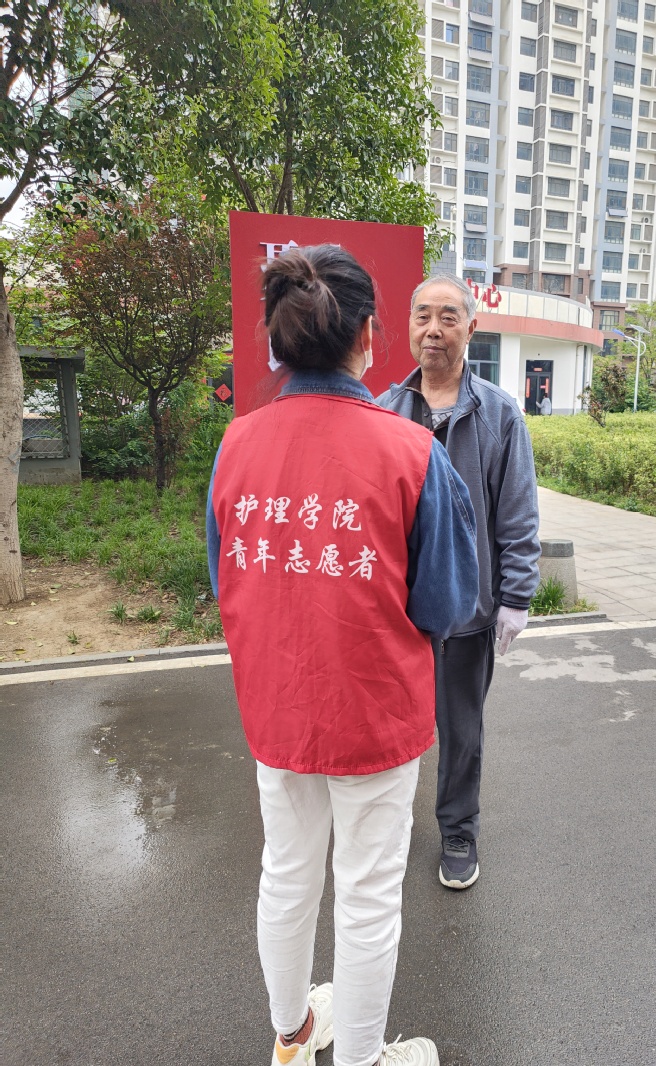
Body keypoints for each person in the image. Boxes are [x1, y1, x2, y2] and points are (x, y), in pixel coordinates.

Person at [206, 246, 478, 1066]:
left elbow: (224, 579)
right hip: (375, 716)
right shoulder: (411, 452)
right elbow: (446, 605)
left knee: (286, 872)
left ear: (276, 341)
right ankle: (361, 1058)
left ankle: (292, 1034)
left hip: (277, 709)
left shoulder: (236, 445)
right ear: (368, 335)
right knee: (366, 896)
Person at [377, 274, 541, 891]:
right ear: (409, 325)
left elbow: (517, 513)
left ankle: (458, 830)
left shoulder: (498, 414)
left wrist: (515, 597)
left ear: (471, 328)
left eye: (449, 317)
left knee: (461, 731)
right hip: (397, 613)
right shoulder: (385, 411)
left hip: (468, 611)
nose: (434, 329)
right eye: (423, 316)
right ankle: (387, 829)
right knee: (391, 727)